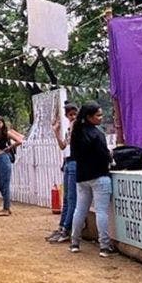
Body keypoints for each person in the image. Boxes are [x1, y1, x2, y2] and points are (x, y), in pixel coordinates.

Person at [68, 103, 117, 257]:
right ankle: (104, 246)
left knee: (80, 210)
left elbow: (74, 156)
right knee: (101, 211)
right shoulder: (98, 134)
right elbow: (105, 155)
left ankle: (74, 242)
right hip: (99, 176)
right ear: (89, 117)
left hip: (82, 177)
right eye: (98, 115)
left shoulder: (76, 133)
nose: (101, 118)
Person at [47, 103, 79, 242]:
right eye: (70, 115)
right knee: (66, 198)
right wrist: (56, 132)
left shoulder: (78, 128)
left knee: (71, 198)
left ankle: (67, 229)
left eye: (74, 114)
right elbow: (63, 146)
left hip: (74, 161)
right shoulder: (69, 128)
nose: (72, 117)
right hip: (67, 161)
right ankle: (62, 227)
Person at [0, 114, 23, 216]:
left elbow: (19, 141)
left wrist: (10, 147)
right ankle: (6, 204)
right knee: (0, 184)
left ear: (3, 124)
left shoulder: (7, 133)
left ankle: (6, 208)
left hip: (4, 157)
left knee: (5, 183)